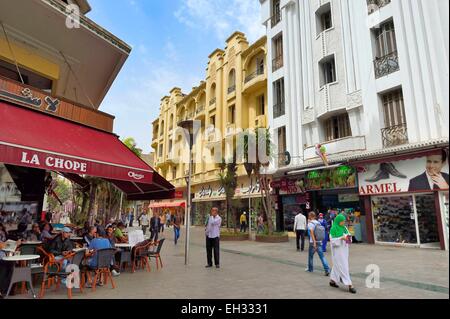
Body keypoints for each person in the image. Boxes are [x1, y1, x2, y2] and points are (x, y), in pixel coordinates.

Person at [329, 214, 357, 294]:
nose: (343, 223)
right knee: (343, 267)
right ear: (338, 221)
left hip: (344, 251)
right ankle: (350, 285)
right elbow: (332, 241)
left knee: (337, 266)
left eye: (344, 221)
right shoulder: (333, 229)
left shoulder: (344, 228)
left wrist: (348, 238)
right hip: (337, 252)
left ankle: (332, 281)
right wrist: (341, 238)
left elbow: (349, 237)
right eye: (342, 221)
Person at [305, 212, 330, 276]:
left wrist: (314, 243)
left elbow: (312, 234)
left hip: (313, 242)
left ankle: (310, 269)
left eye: (309, 215)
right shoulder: (318, 222)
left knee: (310, 256)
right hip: (319, 241)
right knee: (322, 257)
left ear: (310, 216)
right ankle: (327, 269)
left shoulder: (310, 224)